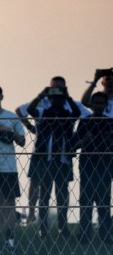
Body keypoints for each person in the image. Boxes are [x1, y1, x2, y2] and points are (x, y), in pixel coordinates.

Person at [27, 77, 83, 238]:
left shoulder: (67, 114)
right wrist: (41, 95)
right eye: (53, 97)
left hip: (62, 158)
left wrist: (68, 97)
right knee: (44, 194)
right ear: (49, 99)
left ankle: (62, 226)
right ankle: (43, 227)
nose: (56, 100)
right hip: (45, 158)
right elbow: (30, 109)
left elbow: (78, 113)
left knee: (62, 194)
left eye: (59, 98)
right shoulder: (44, 112)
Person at [73, 91, 113, 244]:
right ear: (92, 104)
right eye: (95, 102)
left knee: (104, 203)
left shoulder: (110, 122)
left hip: (105, 167)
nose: (98, 105)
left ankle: (105, 236)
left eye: (101, 103)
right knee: (86, 203)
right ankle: (84, 236)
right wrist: (85, 141)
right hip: (87, 167)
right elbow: (73, 145)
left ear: (105, 105)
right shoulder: (85, 122)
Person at [0, 85, 27, 252]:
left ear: (1, 97)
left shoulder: (11, 117)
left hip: (7, 167)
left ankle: (10, 241)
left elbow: (22, 141)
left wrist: (9, 132)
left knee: (8, 205)